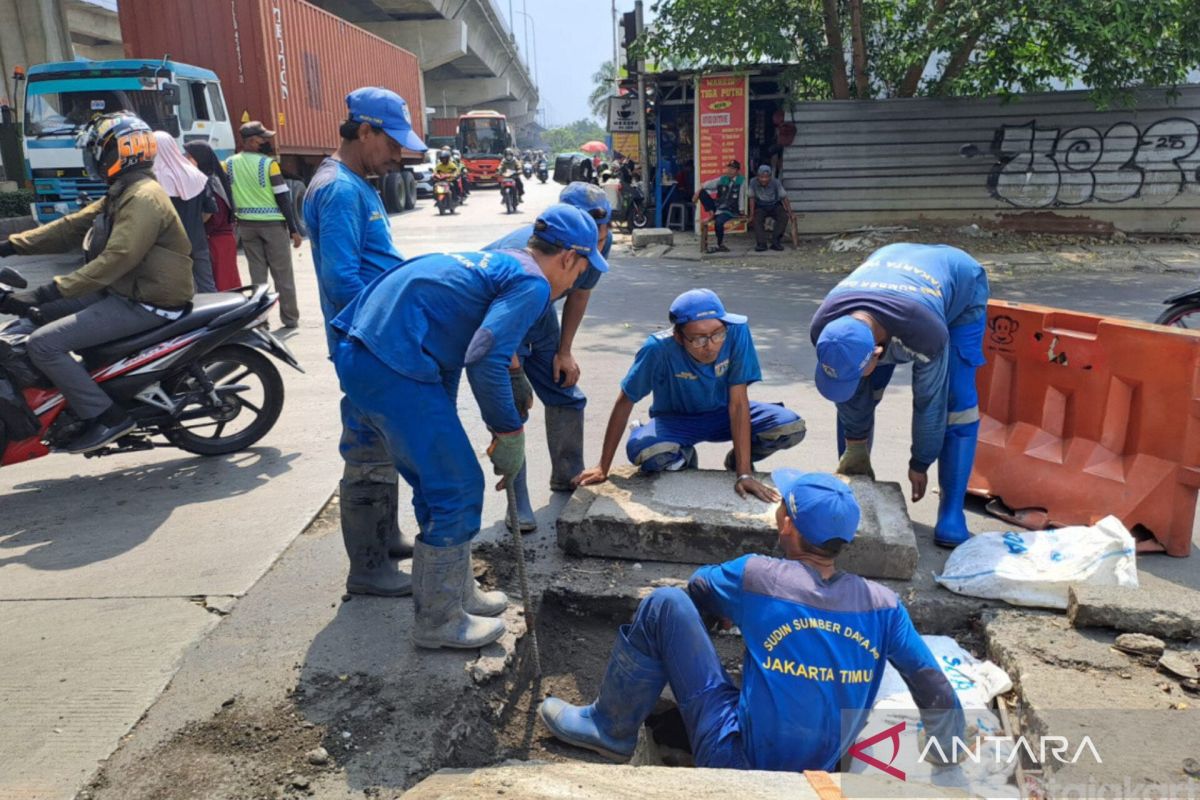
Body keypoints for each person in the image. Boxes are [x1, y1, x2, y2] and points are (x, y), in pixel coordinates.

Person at [538, 470, 965, 770]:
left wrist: (728, 609)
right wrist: (948, 746)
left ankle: (609, 727)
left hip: (734, 759)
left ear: (787, 526)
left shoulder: (757, 575)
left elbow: (697, 589)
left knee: (665, 604)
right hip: (818, 771)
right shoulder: (884, 605)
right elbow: (931, 682)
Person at [329, 204, 607, 649]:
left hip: (366, 352)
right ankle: (438, 622)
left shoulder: (502, 260)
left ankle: (456, 592)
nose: (575, 283)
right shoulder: (534, 283)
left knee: (434, 482)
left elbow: (463, 336)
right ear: (570, 257)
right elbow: (484, 356)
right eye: (580, 271)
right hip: (391, 362)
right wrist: (509, 431)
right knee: (458, 486)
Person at [0, 113, 193, 453]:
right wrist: (10, 245)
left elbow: (117, 258)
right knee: (31, 318)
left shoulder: (143, 198)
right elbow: (67, 228)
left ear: (120, 153)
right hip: (124, 291)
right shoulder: (122, 193)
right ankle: (67, 396)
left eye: (96, 151)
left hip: (148, 302)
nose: (92, 159)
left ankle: (106, 415)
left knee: (43, 344)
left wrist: (47, 290)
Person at [305, 87, 428, 597]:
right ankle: (369, 568)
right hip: (365, 343)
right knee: (366, 447)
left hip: (373, 337)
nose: (398, 154)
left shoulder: (358, 183)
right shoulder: (338, 191)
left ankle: (387, 537)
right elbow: (342, 280)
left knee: (382, 440)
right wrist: (378, 341)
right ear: (364, 131)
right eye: (391, 142)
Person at [810, 243, 990, 548]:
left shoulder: (926, 332)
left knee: (955, 400)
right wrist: (855, 448)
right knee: (863, 388)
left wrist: (920, 461)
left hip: (959, 286)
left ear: (877, 353)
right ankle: (858, 492)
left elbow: (928, 403)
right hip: (893, 271)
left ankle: (951, 511)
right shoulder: (825, 326)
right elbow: (850, 395)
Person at [574, 289, 806, 503]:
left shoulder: (737, 332)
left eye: (717, 334)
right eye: (698, 339)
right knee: (648, 453)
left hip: (725, 413)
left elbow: (738, 403)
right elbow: (625, 401)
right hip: (677, 421)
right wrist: (603, 466)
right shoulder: (657, 349)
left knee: (790, 427)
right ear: (678, 336)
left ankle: (737, 459)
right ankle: (681, 456)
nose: (711, 346)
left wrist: (743, 473)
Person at [482, 182, 614, 530]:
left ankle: (568, 475)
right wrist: (513, 372)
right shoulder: (519, 256)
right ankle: (518, 501)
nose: (596, 248)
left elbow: (580, 294)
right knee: (512, 406)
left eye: (600, 239)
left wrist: (564, 351)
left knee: (565, 388)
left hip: (540, 313)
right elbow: (494, 331)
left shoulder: (599, 242)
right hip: (497, 314)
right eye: (589, 244)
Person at [225, 121, 302, 328]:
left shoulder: (228, 164)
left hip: (247, 226)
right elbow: (283, 198)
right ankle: (290, 318)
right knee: (282, 275)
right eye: (262, 139)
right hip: (273, 227)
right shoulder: (269, 165)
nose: (266, 142)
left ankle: (259, 320)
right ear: (251, 141)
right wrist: (294, 230)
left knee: (257, 277)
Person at [153, 131, 216, 293]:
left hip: (168, 246)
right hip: (198, 241)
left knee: (176, 291)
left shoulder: (152, 180)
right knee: (207, 286)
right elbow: (209, 211)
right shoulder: (196, 174)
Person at [185, 141, 241, 291]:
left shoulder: (207, 181)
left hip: (216, 242)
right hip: (224, 240)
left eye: (188, 156)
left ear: (200, 158)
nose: (185, 159)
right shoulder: (217, 178)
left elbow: (212, 214)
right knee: (228, 284)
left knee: (221, 289)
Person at [693, 160, 744, 253]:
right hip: (718, 206)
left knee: (719, 222)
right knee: (702, 193)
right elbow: (705, 185)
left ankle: (720, 244)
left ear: (737, 171)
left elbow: (741, 196)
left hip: (730, 209)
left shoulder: (741, 181)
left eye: (732, 169)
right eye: (728, 168)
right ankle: (712, 213)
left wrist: (741, 210)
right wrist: (697, 193)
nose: (729, 170)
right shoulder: (722, 179)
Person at [748, 164, 791, 252]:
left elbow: (784, 197)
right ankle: (761, 243)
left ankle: (775, 241)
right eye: (761, 177)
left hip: (774, 204)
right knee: (756, 219)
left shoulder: (776, 182)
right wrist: (751, 214)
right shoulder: (753, 182)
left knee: (783, 217)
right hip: (760, 205)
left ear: (770, 177)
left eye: (766, 177)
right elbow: (751, 198)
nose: (764, 179)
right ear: (757, 176)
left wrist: (790, 212)